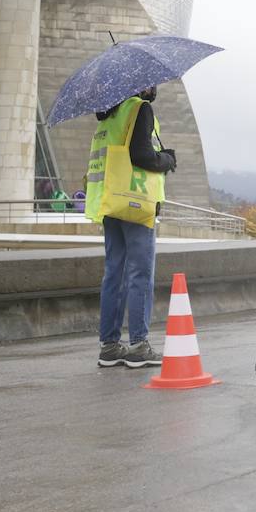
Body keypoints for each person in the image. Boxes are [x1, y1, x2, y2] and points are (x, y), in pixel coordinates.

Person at [86, 86, 177, 368]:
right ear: (138, 85)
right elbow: (141, 155)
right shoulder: (139, 108)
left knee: (114, 271)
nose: (155, 88)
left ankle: (110, 345)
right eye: (151, 83)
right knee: (140, 272)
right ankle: (138, 344)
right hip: (135, 201)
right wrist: (167, 159)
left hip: (110, 201)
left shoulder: (107, 115)